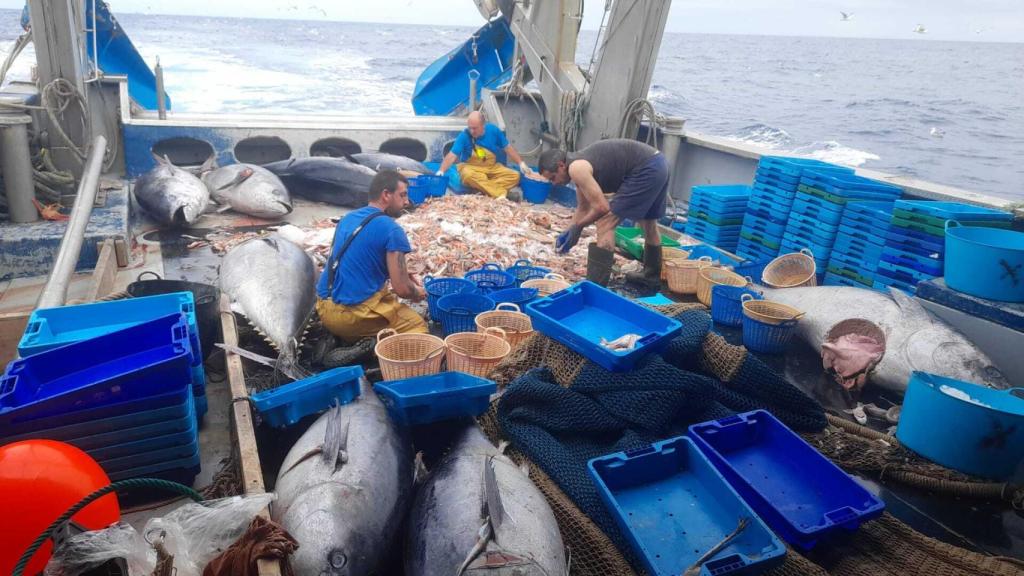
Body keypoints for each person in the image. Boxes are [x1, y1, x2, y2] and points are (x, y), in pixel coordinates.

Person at [314, 169, 427, 365]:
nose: (407, 202)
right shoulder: (392, 230)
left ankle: (341, 338)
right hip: (353, 316)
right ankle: (371, 349)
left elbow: (352, 258)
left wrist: (401, 272)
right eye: (402, 195)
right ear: (386, 195)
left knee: (381, 292)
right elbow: (402, 289)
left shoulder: (348, 218)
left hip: (324, 307)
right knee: (419, 330)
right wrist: (418, 291)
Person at [538, 139, 669, 288]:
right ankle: (651, 276)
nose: (554, 183)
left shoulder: (576, 168)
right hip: (659, 163)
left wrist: (579, 227)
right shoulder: (578, 164)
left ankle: (597, 286)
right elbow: (583, 208)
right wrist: (569, 230)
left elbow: (602, 208)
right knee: (648, 222)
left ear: (561, 165)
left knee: (605, 223)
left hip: (646, 169)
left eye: (553, 178)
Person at [437, 111, 532, 200]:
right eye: (470, 127)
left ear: (483, 125)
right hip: (471, 168)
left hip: (491, 168)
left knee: (515, 176)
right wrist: (441, 171)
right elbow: (452, 155)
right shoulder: (464, 136)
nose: (472, 131)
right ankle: (502, 193)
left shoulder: (493, 131)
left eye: (475, 128)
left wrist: (521, 163)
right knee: (467, 175)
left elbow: (507, 148)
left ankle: (480, 189)